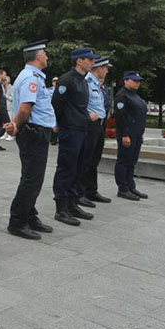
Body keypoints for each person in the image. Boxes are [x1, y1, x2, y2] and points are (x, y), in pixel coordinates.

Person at [3, 40, 56, 240]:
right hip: (33, 133)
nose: (47, 56)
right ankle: (17, 221)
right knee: (32, 179)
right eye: (45, 53)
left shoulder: (33, 77)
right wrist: (16, 125)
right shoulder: (30, 78)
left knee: (34, 177)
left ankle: (30, 216)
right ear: (38, 56)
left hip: (36, 131)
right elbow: (25, 108)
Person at [50, 47, 99, 225]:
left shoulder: (83, 81)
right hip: (70, 130)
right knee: (66, 168)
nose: (92, 63)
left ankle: (72, 203)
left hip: (82, 128)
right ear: (79, 61)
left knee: (78, 168)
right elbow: (57, 105)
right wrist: (60, 124)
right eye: (89, 59)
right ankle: (61, 208)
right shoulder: (67, 80)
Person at [77, 56, 113, 207]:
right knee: (85, 160)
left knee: (94, 160)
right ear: (99, 69)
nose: (107, 71)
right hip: (89, 126)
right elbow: (77, 104)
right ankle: (80, 193)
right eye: (106, 68)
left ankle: (91, 190)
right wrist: (86, 116)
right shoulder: (86, 82)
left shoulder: (98, 84)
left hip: (99, 126)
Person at [114, 71, 148, 200]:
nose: (137, 83)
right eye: (134, 81)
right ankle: (122, 188)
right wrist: (124, 135)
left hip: (136, 134)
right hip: (127, 134)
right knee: (124, 161)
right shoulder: (122, 96)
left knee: (132, 162)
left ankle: (130, 186)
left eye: (139, 81)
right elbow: (120, 117)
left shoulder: (134, 95)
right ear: (126, 80)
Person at [49, 78, 59, 145]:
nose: (55, 83)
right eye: (54, 81)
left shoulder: (60, 89)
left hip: (58, 108)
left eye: (56, 82)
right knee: (53, 123)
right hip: (51, 108)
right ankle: (53, 139)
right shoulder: (49, 90)